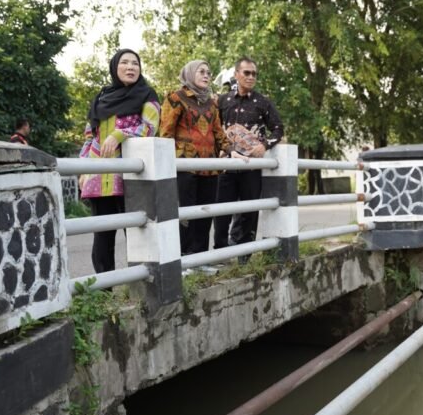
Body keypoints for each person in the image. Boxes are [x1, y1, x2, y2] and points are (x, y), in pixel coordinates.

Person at [79, 49, 160, 274]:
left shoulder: (147, 95)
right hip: (98, 176)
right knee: (102, 235)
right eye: (124, 63)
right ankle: (106, 289)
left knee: (135, 232)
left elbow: (150, 127)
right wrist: (82, 168)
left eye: (135, 63)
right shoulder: (101, 99)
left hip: (131, 175)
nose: (130, 67)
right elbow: (89, 137)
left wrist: (120, 134)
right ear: (115, 67)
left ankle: (140, 283)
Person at [160, 60, 231, 255]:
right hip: (184, 166)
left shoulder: (211, 103)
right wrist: (166, 163)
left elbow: (218, 132)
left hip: (210, 167)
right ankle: (183, 258)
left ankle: (200, 259)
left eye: (209, 72)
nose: (206, 75)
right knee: (186, 214)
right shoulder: (176, 98)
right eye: (201, 72)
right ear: (190, 74)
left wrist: (230, 149)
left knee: (205, 214)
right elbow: (165, 133)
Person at [214, 56, 284, 251]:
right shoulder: (222, 100)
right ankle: (220, 253)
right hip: (226, 165)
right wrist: (219, 148)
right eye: (247, 72)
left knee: (249, 211)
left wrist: (265, 145)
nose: (251, 77)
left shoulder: (263, 102)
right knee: (221, 211)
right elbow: (215, 128)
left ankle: (245, 255)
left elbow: (278, 129)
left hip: (251, 166)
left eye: (254, 73)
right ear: (236, 74)